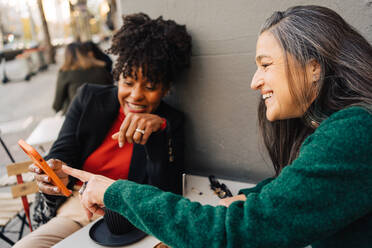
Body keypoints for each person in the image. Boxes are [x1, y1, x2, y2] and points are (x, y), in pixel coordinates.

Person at [63, 5, 371, 248]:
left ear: (314, 66)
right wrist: (249, 199)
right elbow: (288, 192)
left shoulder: (353, 131)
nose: (254, 81)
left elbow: (232, 234)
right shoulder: (346, 128)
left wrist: (117, 192)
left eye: (265, 65)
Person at [14, 13, 192, 248]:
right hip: (79, 208)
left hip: (132, 219)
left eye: (149, 86)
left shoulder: (170, 122)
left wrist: (158, 134)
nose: (136, 95)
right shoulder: (88, 98)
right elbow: (63, 150)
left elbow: (167, 196)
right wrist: (54, 169)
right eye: (128, 82)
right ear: (117, 78)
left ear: (166, 88)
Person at [52, 42, 113, 114]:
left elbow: (57, 104)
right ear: (85, 53)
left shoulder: (65, 73)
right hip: (106, 113)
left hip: (78, 117)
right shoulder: (101, 68)